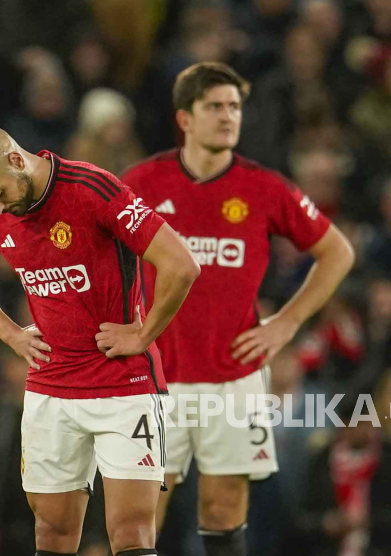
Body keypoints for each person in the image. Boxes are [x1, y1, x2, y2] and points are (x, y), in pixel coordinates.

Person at [122, 62, 355, 556]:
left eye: (234, 106)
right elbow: (97, 252)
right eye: (215, 107)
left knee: (225, 508)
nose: (228, 116)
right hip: (153, 375)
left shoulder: (265, 187)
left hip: (233, 375)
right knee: (141, 511)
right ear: (184, 118)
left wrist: (287, 322)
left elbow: (338, 252)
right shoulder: (142, 182)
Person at [0, 126, 200, 555]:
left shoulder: (91, 188)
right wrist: (12, 334)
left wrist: (144, 333)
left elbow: (181, 264)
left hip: (124, 386)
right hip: (51, 389)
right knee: (51, 532)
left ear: (15, 160)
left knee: (132, 532)